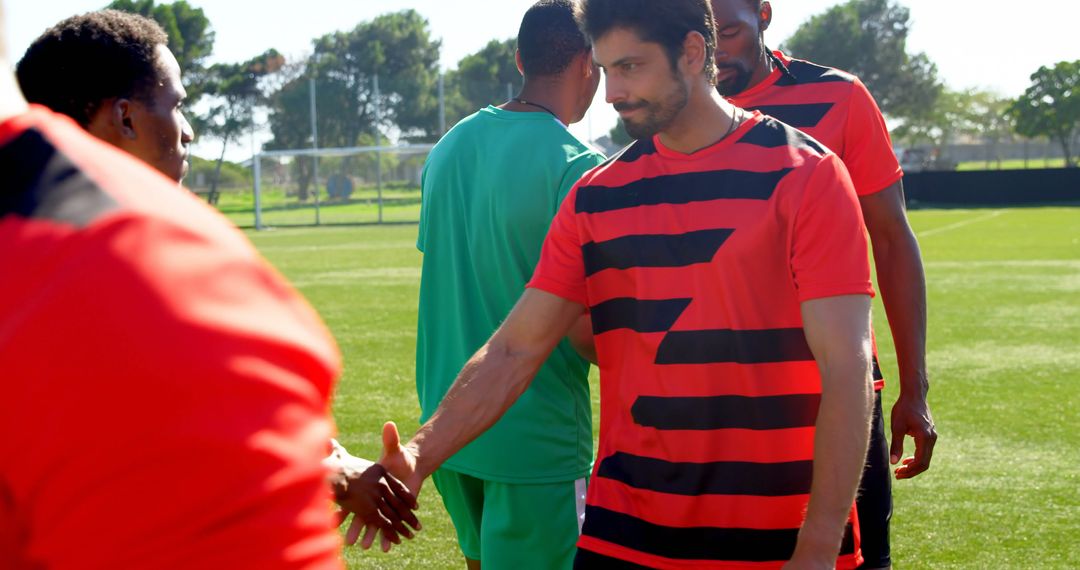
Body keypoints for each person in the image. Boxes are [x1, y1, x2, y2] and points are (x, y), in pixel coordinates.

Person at [380, 0, 876, 567]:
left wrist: (815, 545)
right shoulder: (595, 195)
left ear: (692, 53)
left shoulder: (807, 176)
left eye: (631, 67)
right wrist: (420, 454)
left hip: (774, 535)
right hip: (625, 535)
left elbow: (847, 366)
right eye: (605, 67)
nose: (612, 91)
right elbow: (516, 348)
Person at [0, 5, 416, 566]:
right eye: (177, 104)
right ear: (124, 118)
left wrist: (326, 461)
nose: (188, 129)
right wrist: (332, 475)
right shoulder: (152, 275)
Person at [709, 1, 939, 567]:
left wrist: (915, 387)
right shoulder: (670, 111)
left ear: (764, 14)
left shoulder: (840, 98)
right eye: (700, 34)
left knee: (855, 559)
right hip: (718, 393)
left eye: (730, 31)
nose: (714, 53)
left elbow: (890, 238)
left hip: (840, 383)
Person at [414, 1, 603, 567]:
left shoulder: (448, 148)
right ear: (589, 64)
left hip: (448, 424)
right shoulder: (579, 165)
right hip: (533, 435)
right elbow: (584, 333)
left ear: (521, 60)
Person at [16, 10, 194, 183]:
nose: (188, 134)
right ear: (126, 119)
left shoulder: (18, 207)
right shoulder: (162, 213)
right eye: (177, 107)